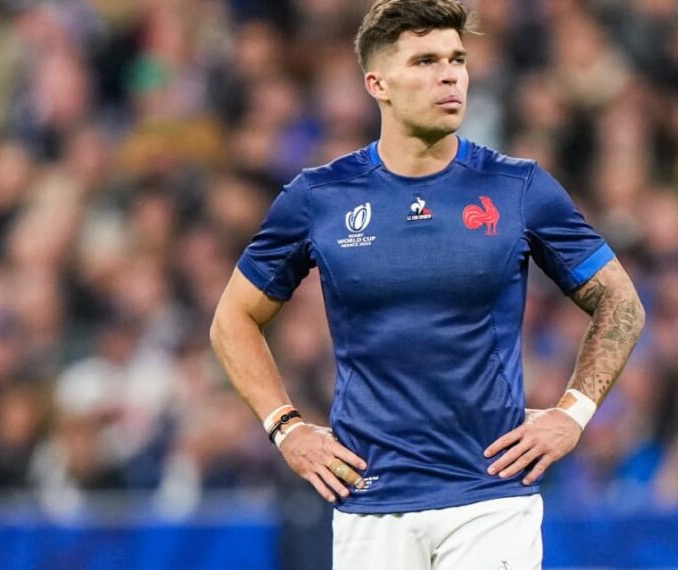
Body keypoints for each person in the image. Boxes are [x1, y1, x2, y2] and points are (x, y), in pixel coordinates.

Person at [209, 1, 645, 568]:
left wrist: (574, 412)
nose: (449, 75)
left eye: (457, 59)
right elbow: (232, 319)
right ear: (378, 84)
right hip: (370, 504)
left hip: (491, 498)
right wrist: (286, 429)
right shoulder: (319, 198)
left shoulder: (517, 187)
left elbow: (621, 300)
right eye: (425, 61)